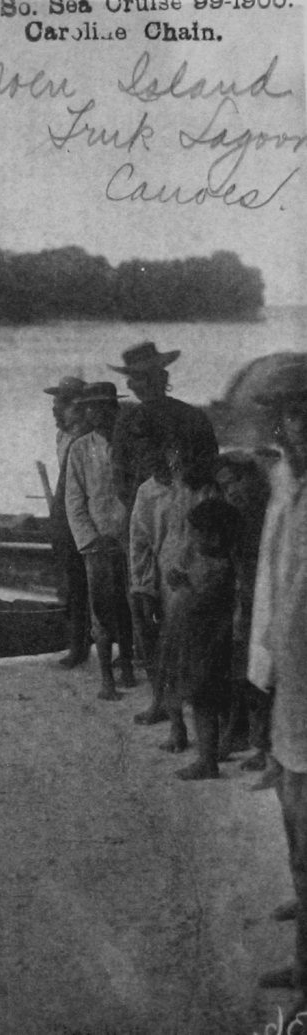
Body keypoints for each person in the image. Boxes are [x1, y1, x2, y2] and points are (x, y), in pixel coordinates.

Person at [245, 357, 307, 1014]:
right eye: (292, 416)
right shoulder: (288, 489)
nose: (296, 429)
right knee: (296, 830)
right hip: (294, 688)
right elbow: (275, 589)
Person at [157, 496, 241, 780]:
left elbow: (204, 603)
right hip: (183, 636)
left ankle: (208, 760)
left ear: (215, 537)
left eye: (196, 533)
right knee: (175, 684)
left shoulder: (222, 568)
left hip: (204, 643)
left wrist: (184, 585)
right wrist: (176, 578)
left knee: (204, 700)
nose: (191, 538)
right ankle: (179, 732)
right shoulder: (197, 554)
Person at [65, 381, 137, 699]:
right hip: (97, 544)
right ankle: (107, 679)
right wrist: (91, 540)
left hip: (131, 540)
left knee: (132, 606)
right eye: (91, 407)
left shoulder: (131, 446)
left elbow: (140, 494)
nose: (97, 413)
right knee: (102, 610)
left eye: (104, 407)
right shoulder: (80, 449)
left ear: (115, 409)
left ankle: (129, 667)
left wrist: (133, 536)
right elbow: (75, 500)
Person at [109, 341, 220, 513]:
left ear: (161, 377)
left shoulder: (128, 421)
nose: (130, 385)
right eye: (132, 378)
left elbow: (121, 481)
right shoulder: (193, 415)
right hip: (175, 509)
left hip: (161, 511)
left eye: (137, 378)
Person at [214, 452, 273, 771]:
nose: (232, 491)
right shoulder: (233, 522)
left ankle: (267, 747)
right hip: (247, 606)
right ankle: (252, 739)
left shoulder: (271, 513)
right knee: (245, 674)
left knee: (267, 675)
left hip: (273, 606)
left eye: (236, 481)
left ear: (253, 478)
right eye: (224, 487)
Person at [127, 414, 173, 721]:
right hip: (158, 574)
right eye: (145, 452)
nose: (151, 458)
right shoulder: (147, 491)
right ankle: (159, 701)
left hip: (188, 575)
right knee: (151, 640)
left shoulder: (188, 485)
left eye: (157, 449)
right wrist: (143, 584)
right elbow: (139, 539)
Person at [44, 375, 91, 668]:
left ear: (75, 405)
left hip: (80, 518)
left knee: (79, 584)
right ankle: (79, 643)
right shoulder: (63, 435)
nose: (53, 408)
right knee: (71, 582)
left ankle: (80, 646)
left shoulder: (84, 438)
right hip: (65, 516)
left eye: (59, 402)